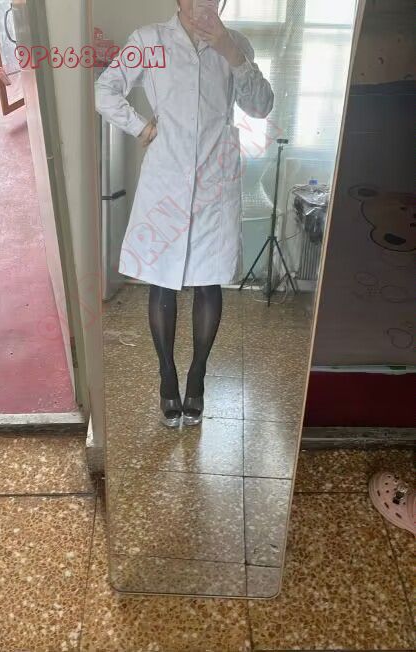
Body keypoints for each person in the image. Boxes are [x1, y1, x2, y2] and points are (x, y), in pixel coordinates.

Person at [95, 0, 274, 427]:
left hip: (215, 183)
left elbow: (262, 106)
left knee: (209, 281)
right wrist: (140, 125)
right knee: (162, 280)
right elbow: (105, 90)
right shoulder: (150, 41)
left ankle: (197, 375)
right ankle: (167, 374)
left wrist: (231, 52)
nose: (202, 4)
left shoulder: (236, 44)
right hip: (166, 180)